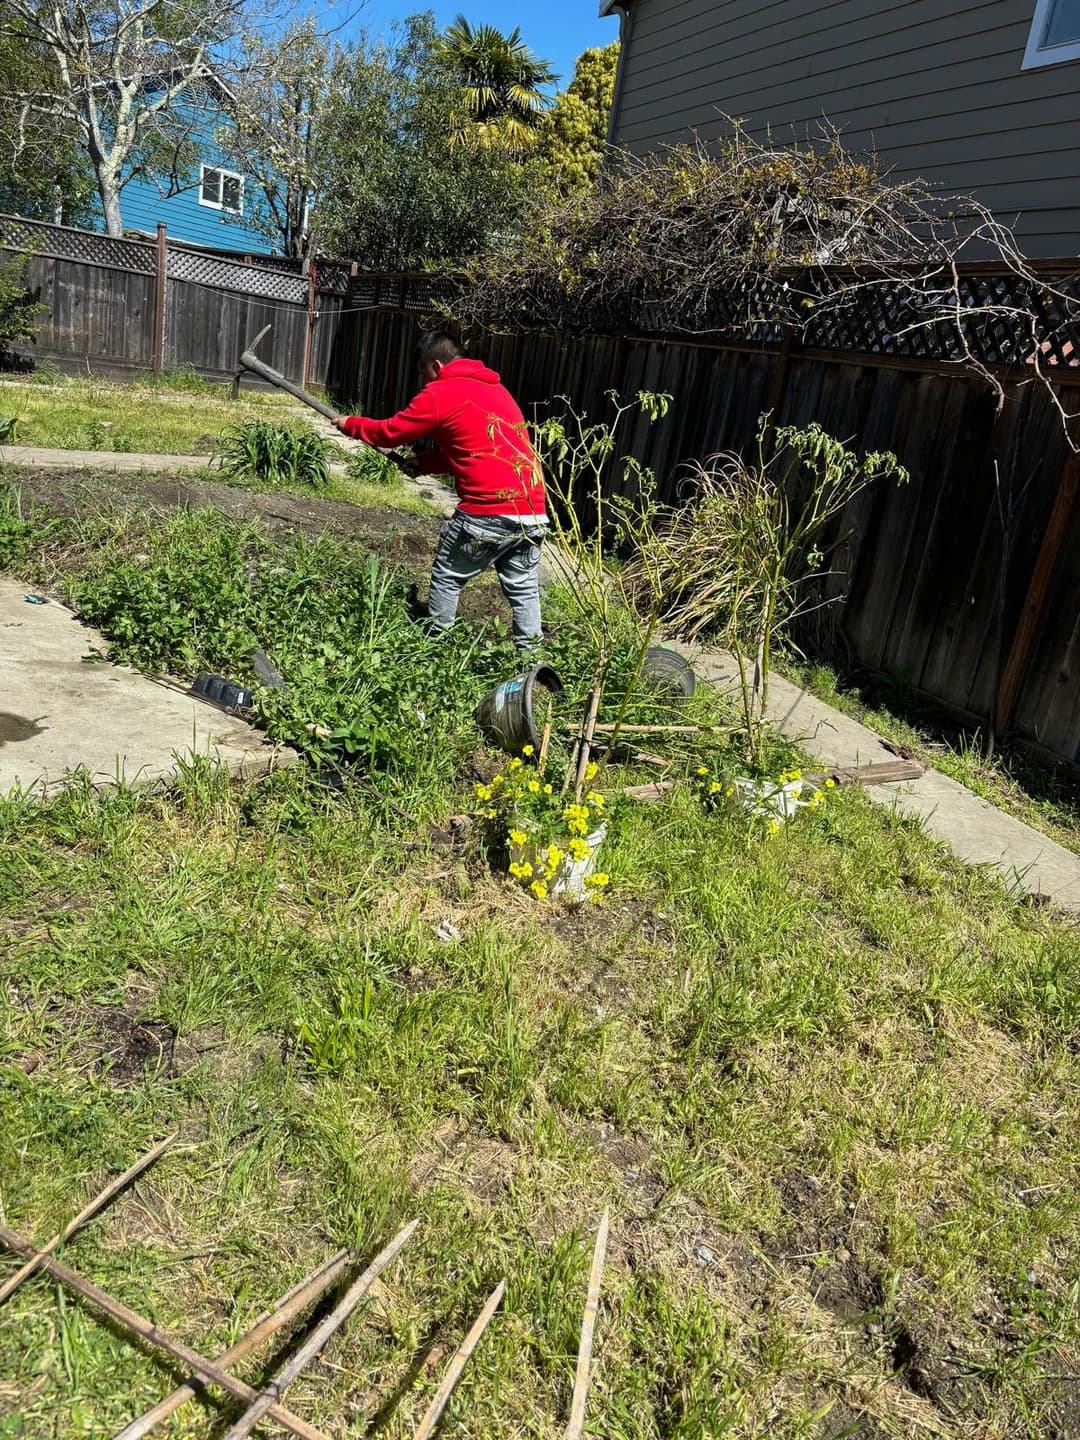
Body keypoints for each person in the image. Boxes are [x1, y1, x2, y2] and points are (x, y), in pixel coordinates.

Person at [334, 331, 547, 650]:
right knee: (524, 589)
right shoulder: (496, 390)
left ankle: (434, 651)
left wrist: (351, 424)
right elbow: (476, 451)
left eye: (423, 373)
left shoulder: (441, 391)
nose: (424, 382)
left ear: (435, 365)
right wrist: (425, 463)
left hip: (487, 513)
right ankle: (531, 661)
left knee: (448, 575)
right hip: (532, 512)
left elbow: (391, 432)